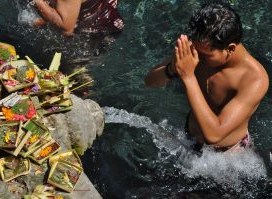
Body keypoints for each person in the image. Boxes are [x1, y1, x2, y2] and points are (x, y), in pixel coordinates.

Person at [145, 3, 269, 152]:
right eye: (196, 48)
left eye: (205, 55)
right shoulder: (200, 47)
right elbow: (150, 82)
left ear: (230, 49)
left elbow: (214, 135)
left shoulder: (254, 79)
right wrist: (172, 68)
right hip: (188, 136)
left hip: (226, 157)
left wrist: (188, 75)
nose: (197, 57)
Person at [34, 0, 124, 36]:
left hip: (98, 29)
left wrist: (38, 2)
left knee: (76, 72)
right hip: (103, 8)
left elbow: (66, 29)